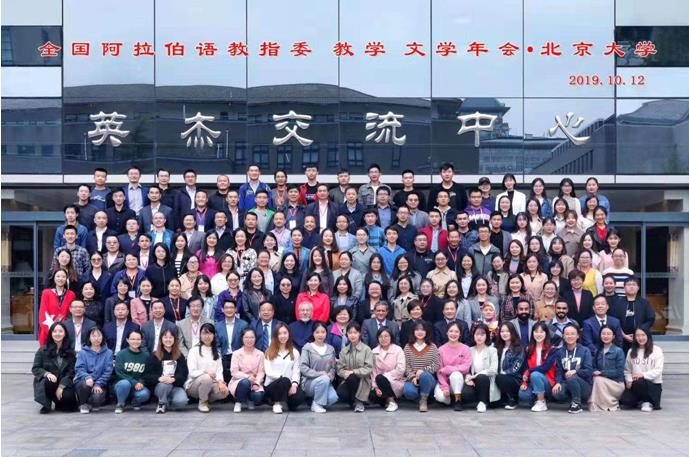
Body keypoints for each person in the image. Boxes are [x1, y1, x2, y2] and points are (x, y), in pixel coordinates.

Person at [32, 322, 77, 413]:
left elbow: (71, 372)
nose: (57, 334)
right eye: (55, 331)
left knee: (69, 403)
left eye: (60, 331)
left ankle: (58, 401)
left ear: (65, 334)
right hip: (48, 382)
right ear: (51, 334)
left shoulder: (70, 352)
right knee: (50, 381)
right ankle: (46, 404)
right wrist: (46, 374)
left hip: (63, 381)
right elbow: (35, 368)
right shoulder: (42, 350)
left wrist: (61, 386)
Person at [185, 323, 230, 412]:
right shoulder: (194, 351)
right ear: (200, 335)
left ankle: (206, 398)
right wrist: (205, 371)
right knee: (207, 378)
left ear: (214, 335)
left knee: (225, 391)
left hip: (211, 382)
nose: (207, 336)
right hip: (194, 384)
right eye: (204, 333)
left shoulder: (217, 353)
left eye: (209, 333)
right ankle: (203, 402)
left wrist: (221, 382)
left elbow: (219, 372)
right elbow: (192, 373)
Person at [145, 328, 189, 413]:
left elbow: (184, 374)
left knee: (182, 402)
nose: (168, 340)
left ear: (174, 339)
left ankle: (166, 400)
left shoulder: (180, 355)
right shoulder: (154, 355)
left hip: (175, 386)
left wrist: (174, 379)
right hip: (160, 387)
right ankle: (161, 403)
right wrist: (159, 378)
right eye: (165, 337)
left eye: (170, 337)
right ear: (161, 339)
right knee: (165, 385)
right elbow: (147, 375)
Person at [264, 323, 305, 413]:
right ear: (276, 336)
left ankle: (287, 402)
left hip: (288, 384)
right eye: (279, 333)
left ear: (289, 334)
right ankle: (277, 403)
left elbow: (296, 371)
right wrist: (283, 378)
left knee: (300, 396)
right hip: (272, 385)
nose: (282, 336)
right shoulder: (269, 351)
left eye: (285, 333)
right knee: (284, 381)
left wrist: (294, 385)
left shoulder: (295, 352)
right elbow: (268, 372)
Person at [552, 324, 594, 414]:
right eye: (567, 334)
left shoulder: (585, 350)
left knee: (571, 377)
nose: (570, 336)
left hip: (584, 386)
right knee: (556, 393)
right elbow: (559, 370)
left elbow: (589, 371)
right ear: (563, 336)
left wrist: (575, 371)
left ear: (578, 335)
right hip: (567, 383)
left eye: (572, 334)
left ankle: (577, 403)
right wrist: (558, 382)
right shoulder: (560, 352)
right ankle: (571, 400)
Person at [621, 328, 664, 412]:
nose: (640, 338)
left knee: (639, 382)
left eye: (643, 335)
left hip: (652, 385)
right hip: (635, 384)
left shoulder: (657, 350)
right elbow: (627, 370)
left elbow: (658, 370)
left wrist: (642, 375)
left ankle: (647, 402)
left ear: (648, 336)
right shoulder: (631, 351)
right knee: (625, 401)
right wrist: (629, 380)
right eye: (637, 335)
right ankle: (640, 401)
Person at [300, 322, 338, 413]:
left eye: (323, 332)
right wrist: (320, 374)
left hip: (326, 381)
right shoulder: (307, 348)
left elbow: (333, 368)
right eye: (317, 332)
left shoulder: (331, 349)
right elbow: (303, 367)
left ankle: (314, 401)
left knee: (333, 398)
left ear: (326, 333)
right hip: (310, 382)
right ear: (313, 333)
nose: (320, 335)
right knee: (323, 379)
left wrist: (330, 376)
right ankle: (316, 405)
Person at [519, 323, 558, 411]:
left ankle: (541, 402)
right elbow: (525, 367)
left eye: (541, 332)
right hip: (532, 381)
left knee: (535, 374)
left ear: (546, 333)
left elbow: (545, 367)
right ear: (532, 333)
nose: (539, 334)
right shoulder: (528, 349)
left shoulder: (552, 349)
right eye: (536, 332)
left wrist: (529, 371)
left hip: (548, 383)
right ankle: (536, 399)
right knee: (523, 395)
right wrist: (524, 382)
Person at [434, 322, 472, 410]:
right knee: (441, 398)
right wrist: (445, 387)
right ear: (447, 333)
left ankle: (458, 400)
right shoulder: (441, 349)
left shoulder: (465, 348)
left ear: (460, 334)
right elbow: (440, 372)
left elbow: (466, 368)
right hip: (446, 382)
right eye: (451, 331)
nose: (453, 334)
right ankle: (450, 399)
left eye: (456, 332)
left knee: (456, 374)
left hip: (460, 381)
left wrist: (448, 369)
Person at [336, 322, 374, 412]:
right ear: (347, 334)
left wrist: (353, 372)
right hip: (348, 380)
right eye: (350, 333)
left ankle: (359, 401)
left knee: (352, 376)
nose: (352, 335)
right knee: (341, 393)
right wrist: (344, 373)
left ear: (359, 333)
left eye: (355, 332)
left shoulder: (366, 349)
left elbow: (368, 368)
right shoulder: (344, 351)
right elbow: (339, 368)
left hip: (363, 380)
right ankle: (353, 401)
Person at [74, 327, 113, 413]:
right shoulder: (82, 352)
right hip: (84, 381)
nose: (96, 338)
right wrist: (87, 377)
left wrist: (98, 383)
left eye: (99, 336)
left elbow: (108, 372)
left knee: (97, 398)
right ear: (89, 337)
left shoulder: (108, 353)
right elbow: (79, 368)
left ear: (103, 337)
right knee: (84, 385)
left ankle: (91, 403)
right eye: (93, 336)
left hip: (99, 383)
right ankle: (83, 403)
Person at [462, 323, 499, 412]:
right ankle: (480, 399)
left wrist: (476, 376)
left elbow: (493, 370)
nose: (479, 337)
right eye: (477, 334)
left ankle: (483, 402)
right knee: (465, 394)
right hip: (473, 379)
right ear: (473, 335)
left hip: (487, 379)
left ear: (487, 336)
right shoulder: (470, 350)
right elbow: (466, 368)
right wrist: (468, 377)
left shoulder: (492, 350)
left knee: (482, 377)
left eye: (482, 334)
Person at [402, 321, 439, 412]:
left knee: (425, 375)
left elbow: (436, 364)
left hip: (428, 379)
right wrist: (413, 377)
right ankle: (420, 397)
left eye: (422, 330)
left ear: (426, 332)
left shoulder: (432, 346)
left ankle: (423, 400)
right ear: (413, 332)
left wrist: (423, 370)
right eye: (417, 330)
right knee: (409, 392)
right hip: (413, 379)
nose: (420, 332)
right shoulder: (407, 347)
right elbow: (406, 365)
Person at [589, 325, 626, 411]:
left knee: (597, 379)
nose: (606, 336)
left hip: (616, 383)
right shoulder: (598, 351)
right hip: (601, 382)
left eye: (608, 334)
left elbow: (619, 372)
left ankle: (606, 405)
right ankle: (598, 404)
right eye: (603, 334)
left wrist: (602, 373)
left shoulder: (618, 351)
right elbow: (593, 366)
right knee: (595, 379)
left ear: (613, 336)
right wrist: (594, 371)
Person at [113, 330, 151, 414]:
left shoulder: (145, 356)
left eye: (138, 339)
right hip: (121, 386)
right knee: (125, 383)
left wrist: (141, 382)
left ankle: (134, 401)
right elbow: (120, 372)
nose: (135, 341)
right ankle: (120, 404)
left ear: (141, 340)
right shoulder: (121, 354)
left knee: (145, 394)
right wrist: (134, 382)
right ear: (127, 340)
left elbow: (147, 374)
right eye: (132, 339)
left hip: (137, 387)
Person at [369, 327, 406, 412]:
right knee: (371, 395)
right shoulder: (374, 352)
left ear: (391, 337)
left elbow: (400, 369)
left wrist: (385, 377)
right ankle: (385, 400)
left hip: (395, 381)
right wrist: (376, 387)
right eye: (380, 336)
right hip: (379, 383)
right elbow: (373, 371)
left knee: (380, 378)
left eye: (386, 336)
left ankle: (391, 401)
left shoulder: (398, 350)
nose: (383, 339)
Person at [229, 328, 265, 413]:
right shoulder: (236, 353)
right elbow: (234, 372)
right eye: (246, 337)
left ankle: (250, 400)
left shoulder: (260, 354)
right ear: (242, 338)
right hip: (239, 381)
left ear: (255, 338)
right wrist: (247, 377)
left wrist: (256, 383)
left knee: (258, 396)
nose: (249, 340)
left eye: (252, 337)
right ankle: (238, 402)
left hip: (254, 381)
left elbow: (261, 372)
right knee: (245, 383)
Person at [38, 270, 77, 346]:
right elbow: (43, 312)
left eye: (63, 276)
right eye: (58, 276)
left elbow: (71, 314)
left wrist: (62, 329)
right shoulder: (46, 293)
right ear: (54, 278)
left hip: (65, 331)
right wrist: (53, 330)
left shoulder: (71, 294)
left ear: (66, 279)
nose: (60, 279)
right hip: (48, 330)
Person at [616, 278, 655, 353]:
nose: (631, 287)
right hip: (622, 339)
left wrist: (640, 332)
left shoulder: (644, 303)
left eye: (634, 285)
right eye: (629, 285)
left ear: (638, 288)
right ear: (624, 288)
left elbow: (651, 318)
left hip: (641, 338)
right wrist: (623, 335)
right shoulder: (618, 303)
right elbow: (614, 321)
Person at [495, 322, 525, 409]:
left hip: (514, 378)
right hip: (499, 377)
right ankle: (503, 398)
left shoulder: (518, 348)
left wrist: (504, 373)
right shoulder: (497, 347)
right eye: (502, 331)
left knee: (500, 377)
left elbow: (517, 366)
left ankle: (513, 398)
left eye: (507, 331)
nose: (504, 333)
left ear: (512, 332)